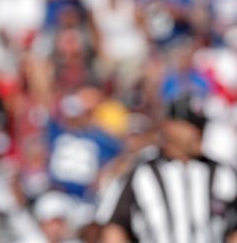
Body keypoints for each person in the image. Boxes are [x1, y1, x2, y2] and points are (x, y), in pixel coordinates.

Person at [95, 95, 237, 243]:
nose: (199, 134)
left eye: (201, 127)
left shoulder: (223, 173)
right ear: (169, 126)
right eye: (192, 126)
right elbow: (116, 228)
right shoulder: (142, 173)